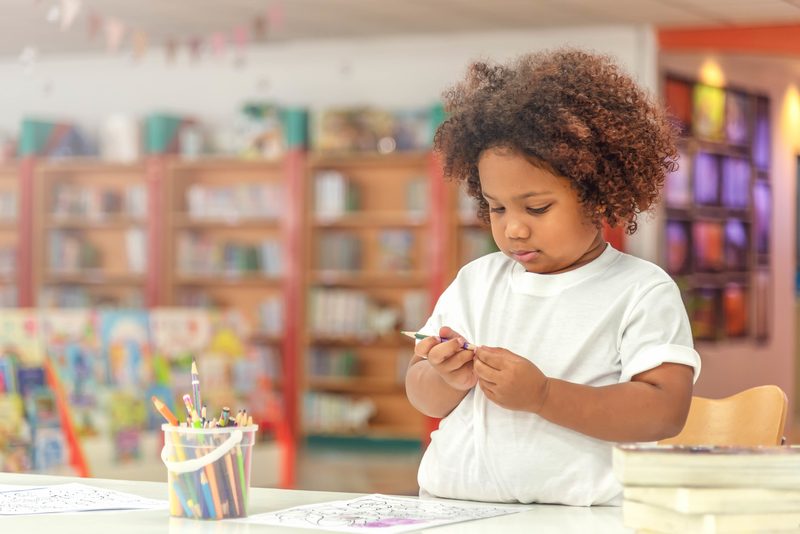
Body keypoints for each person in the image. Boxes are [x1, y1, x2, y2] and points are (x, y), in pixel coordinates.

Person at [405, 48, 700, 507]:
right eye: (497, 207)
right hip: (454, 508)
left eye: (537, 208)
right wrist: (446, 378)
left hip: (585, 517)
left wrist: (543, 395)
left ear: (599, 195)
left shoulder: (642, 291)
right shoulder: (475, 280)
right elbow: (421, 391)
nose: (513, 227)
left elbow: (664, 411)